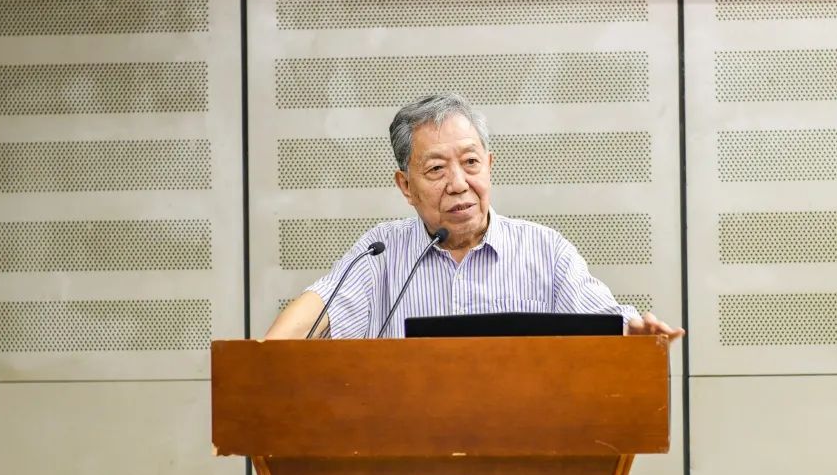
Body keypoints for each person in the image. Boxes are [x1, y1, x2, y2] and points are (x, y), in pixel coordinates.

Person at [264, 93, 684, 341]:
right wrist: (266, 357)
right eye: (436, 169)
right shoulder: (382, 252)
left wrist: (634, 334)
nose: (458, 183)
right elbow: (317, 313)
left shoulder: (545, 251)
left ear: (489, 166)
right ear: (406, 186)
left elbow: (606, 323)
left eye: (470, 162)